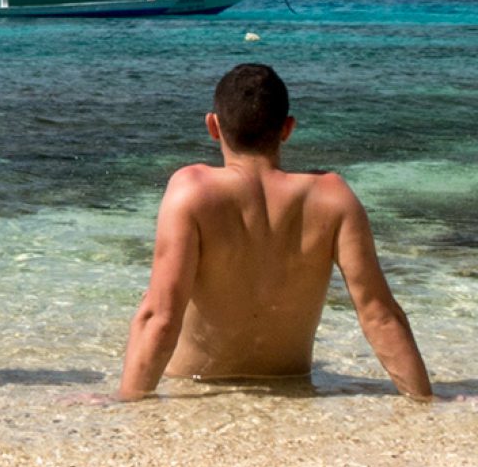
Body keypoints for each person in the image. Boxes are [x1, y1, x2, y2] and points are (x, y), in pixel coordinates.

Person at [118, 63, 431, 401]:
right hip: (295, 394)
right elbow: (380, 315)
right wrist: (427, 402)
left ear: (213, 126)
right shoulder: (332, 197)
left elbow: (160, 317)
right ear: (287, 128)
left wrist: (127, 403)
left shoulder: (192, 191)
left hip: (196, 395)